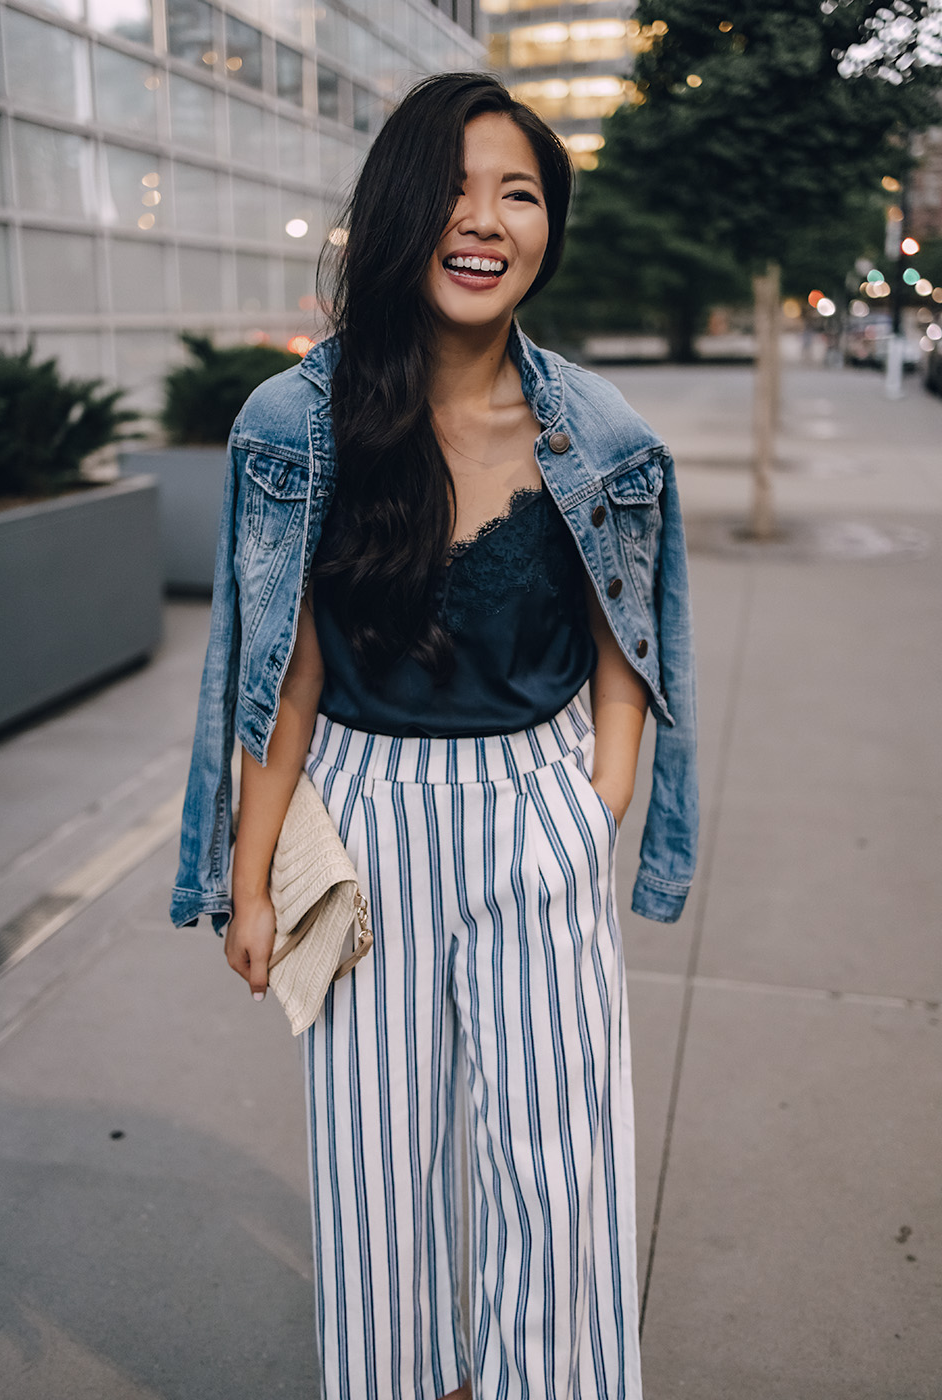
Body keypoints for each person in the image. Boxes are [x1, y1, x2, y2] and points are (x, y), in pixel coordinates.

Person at [172, 72, 697, 1400]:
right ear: (398, 216)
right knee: (373, 1175)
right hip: (354, 815)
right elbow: (276, 678)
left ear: (546, 230)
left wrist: (600, 809)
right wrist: (246, 886)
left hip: (537, 811)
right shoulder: (296, 428)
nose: (484, 221)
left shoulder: (605, 438)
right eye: (454, 190)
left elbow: (624, 653)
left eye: (517, 193)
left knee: (557, 1170)